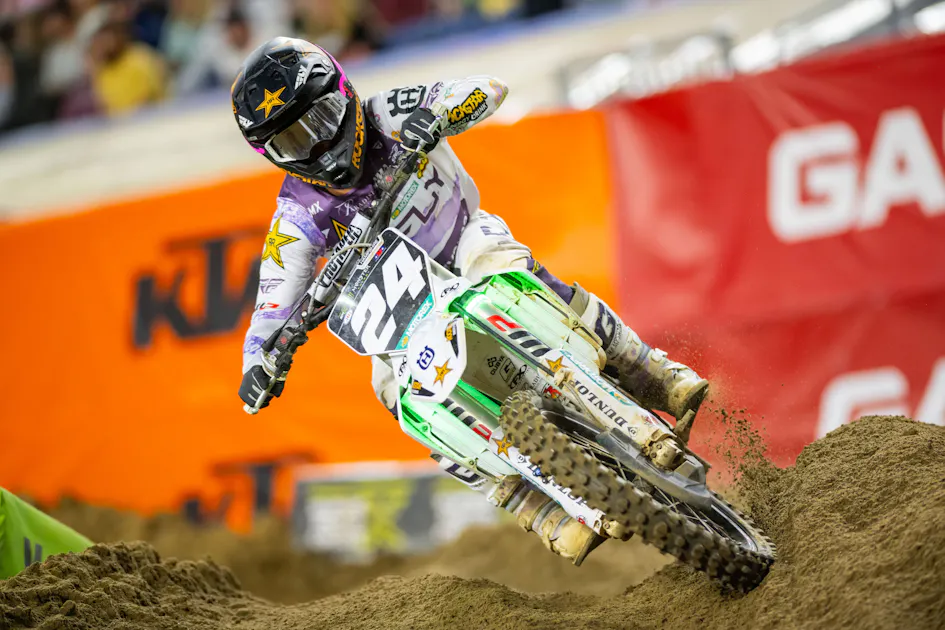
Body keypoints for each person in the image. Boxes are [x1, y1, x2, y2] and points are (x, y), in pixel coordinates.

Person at [233, 37, 708, 565]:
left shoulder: (388, 114)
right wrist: (259, 362)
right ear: (273, 156)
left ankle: (647, 366)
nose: (318, 145)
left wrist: (439, 115)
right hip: (402, 310)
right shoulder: (295, 218)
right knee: (393, 392)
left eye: (321, 120)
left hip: (463, 244)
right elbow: (272, 306)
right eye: (293, 141)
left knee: (503, 268)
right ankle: (531, 504)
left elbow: (487, 88)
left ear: (343, 93)